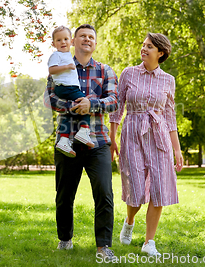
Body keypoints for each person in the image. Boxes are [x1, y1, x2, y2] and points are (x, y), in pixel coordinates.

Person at [44, 24, 118, 259]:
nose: (87, 39)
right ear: (73, 41)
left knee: (104, 193)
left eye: (91, 37)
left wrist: (92, 104)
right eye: (82, 36)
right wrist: (74, 106)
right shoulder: (59, 68)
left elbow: (114, 101)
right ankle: (65, 240)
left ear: (95, 43)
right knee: (64, 195)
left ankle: (103, 246)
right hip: (67, 141)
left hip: (98, 141)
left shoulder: (106, 71)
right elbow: (50, 98)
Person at [109, 33, 184, 257]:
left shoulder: (168, 80)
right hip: (132, 133)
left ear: (160, 53)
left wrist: (177, 149)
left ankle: (148, 242)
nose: (144, 49)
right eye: (143, 45)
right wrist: (112, 138)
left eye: (149, 46)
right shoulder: (128, 73)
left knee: (159, 189)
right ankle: (130, 220)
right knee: (136, 191)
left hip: (159, 135)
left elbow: (170, 116)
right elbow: (117, 108)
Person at [47, 25, 95, 157]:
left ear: (71, 41)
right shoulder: (56, 55)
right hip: (66, 87)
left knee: (69, 113)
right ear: (53, 43)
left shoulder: (66, 54)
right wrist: (67, 66)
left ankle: (63, 139)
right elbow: (51, 70)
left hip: (68, 88)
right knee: (85, 103)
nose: (63, 42)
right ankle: (84, 131)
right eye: (59, 40)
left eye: (66, 39)